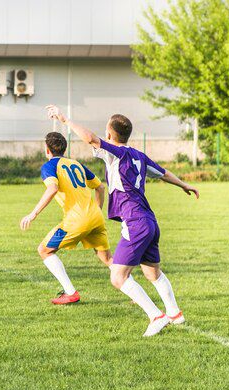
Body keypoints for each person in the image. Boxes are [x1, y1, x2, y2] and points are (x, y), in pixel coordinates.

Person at [48, 105, 200, 336]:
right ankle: (175, 313)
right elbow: (164, 173)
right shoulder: (139, 156)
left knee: (118, 277)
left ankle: (156, 316)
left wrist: (65, 120)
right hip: (149, 219)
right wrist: (184, 185)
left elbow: (89, 138)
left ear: (109, 134)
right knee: (152, 273)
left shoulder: (114, 153)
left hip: (134, 220)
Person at [20, 132, 111, 304]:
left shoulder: (49, 166)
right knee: (107, 259)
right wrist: (96, 210)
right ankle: (135, 291)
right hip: (95, 217)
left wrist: (33, 214)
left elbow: (52, 188)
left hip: (76, 220)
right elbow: (100, 187)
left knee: (44, 250)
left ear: (47, 150)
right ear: (64, 148)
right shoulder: (76, 164)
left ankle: (70, 293)